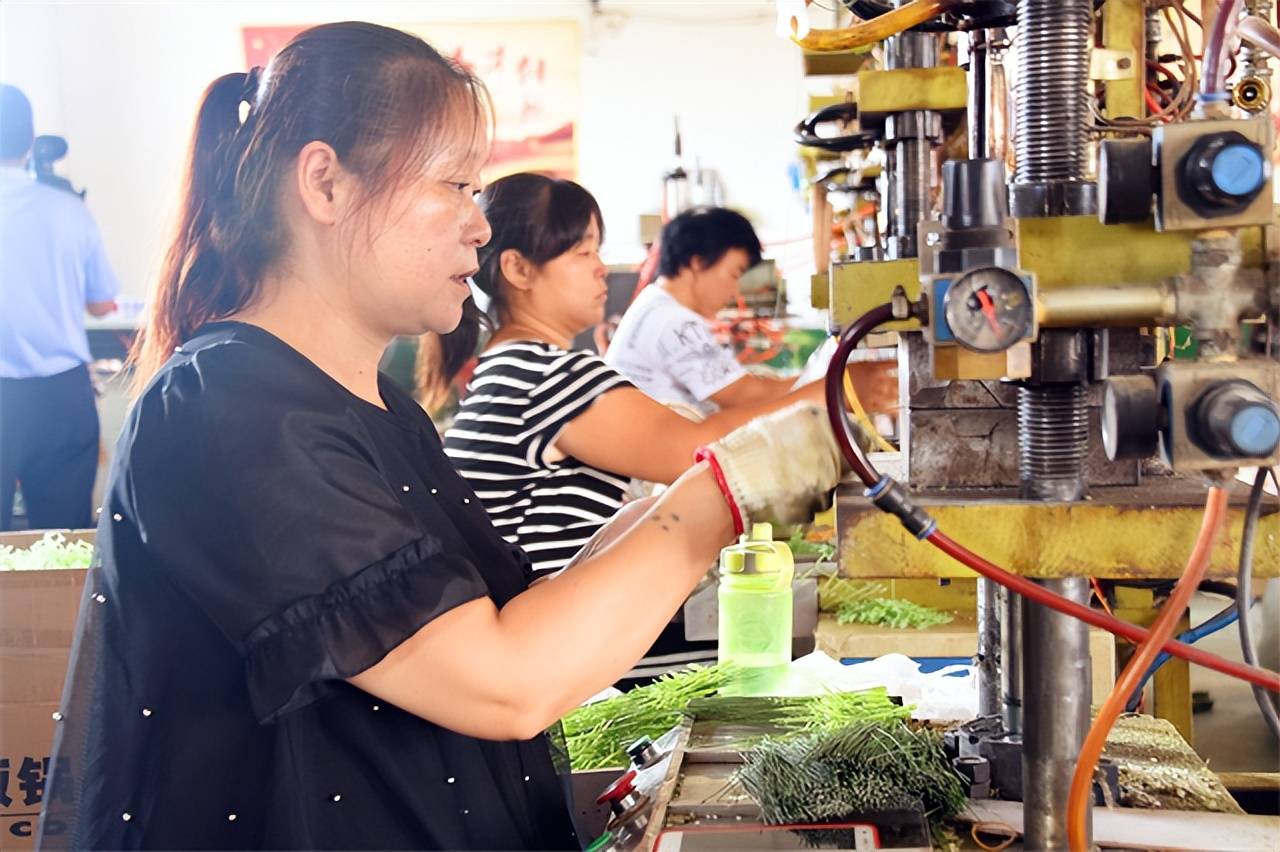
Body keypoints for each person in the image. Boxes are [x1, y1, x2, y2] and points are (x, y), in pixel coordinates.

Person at [38, 23, 843, 851]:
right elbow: (503, 682)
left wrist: (694, 494)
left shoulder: (375, 405)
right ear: (325, 183)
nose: (480, 226)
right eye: (455, 185)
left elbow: (493, 618)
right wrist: (725, 491)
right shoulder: (228, 409)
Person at [433, 173, 865, 686]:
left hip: (538, 640)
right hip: (548, 653)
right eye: (582, 253)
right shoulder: (544, 375)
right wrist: (841, 388)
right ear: (518, 269)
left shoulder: (512, 367)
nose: (601, 271)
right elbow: (705, 452)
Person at [605, 206, 896, 417]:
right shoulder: (672, 321)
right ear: (696, 262)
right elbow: (746, 398)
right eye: (734, 274)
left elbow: (747, 391)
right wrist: (841, 384)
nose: (734, 291)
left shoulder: (655, 306)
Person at [0, 83, 120, 531]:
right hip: (59, 396)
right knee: (62, 538)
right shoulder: (68, 210)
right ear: (30, 141)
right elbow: (104, 304)